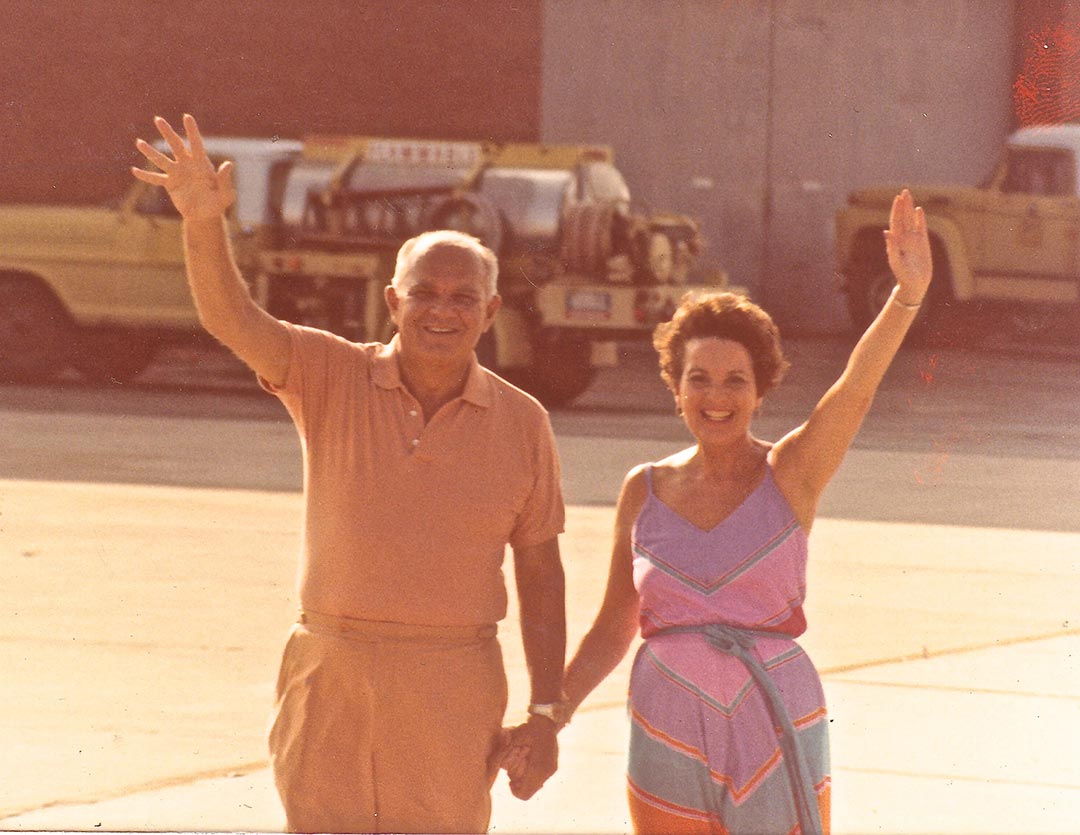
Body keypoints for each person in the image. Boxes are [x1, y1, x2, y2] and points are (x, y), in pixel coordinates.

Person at [132, 114, 567, 834]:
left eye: (463, 297)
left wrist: (547, 713)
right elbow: (231, 318)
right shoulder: (329, 373)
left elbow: (541, 569)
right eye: (425, 292)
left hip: (452, 681)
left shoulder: (522, 421)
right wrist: (203, 223)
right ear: (393, 300)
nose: (442, 310)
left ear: (490, 311)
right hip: (329, 669)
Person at [506, 189, 932, 834]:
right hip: (664, 717)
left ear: (761, 391)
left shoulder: (792, 473)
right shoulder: (643, 488)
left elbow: (856, 386)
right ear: (675, 386)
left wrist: (906, 297)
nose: (716, 396)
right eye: (699, 377)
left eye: (736, 379)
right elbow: (612, 629)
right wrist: (548, 717)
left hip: (774, 712)